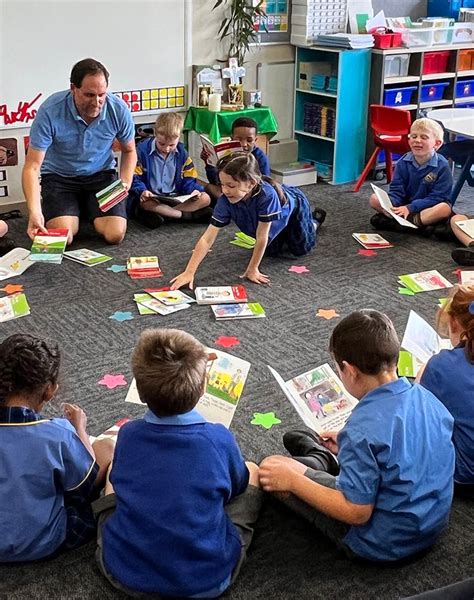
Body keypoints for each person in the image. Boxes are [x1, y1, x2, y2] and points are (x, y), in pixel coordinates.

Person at [259, 310, 455, 563]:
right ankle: (324, 459)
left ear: (349, 371)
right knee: (300, 466)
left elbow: (356, 512)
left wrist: (293, 482)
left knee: (274, 467)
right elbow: (410, 448)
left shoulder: (361, 429)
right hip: (430, 525)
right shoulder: (426, 397)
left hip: (380, 543)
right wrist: (350, 446)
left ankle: (319, 460)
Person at [92, 328, 263, 598]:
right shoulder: (218, 438)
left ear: (140, 390)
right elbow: (236, 486)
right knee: (251, 470)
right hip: (206, 581)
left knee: (115, 470)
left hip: (124, 573)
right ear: (204, 386)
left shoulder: (129, 434)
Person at [0, 333, 114, 562]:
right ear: (50, 389)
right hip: (43, 541)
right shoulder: (58, 433)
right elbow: (86, 480)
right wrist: (80, 428)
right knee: (107, 448)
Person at [22, 58, 137, 245]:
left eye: (102, 94)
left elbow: (130, 151)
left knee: (114, 235)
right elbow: (32, 168)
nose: (97, 102)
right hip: (60, 178)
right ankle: (79, 210)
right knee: (62, 239)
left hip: (101, 176)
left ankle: (83, 209)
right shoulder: (50, 110)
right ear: (73, 88)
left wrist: (124, 184)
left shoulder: (118, 109)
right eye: (89, 95)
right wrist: (34, 211)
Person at [170, 152, 318, 289]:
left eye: (231, 185)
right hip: (262, 219)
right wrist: (189, 272)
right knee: (273, 251)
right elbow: (207, 238)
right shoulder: (226, 199)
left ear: (251, 183)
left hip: (294, 208)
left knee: (300, 249)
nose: (225, 190)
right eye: (222, 184)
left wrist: (253, 269)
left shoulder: (267, 196)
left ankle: (313, 222)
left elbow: (262, 237)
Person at [417, 285, 474, 498]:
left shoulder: (442, 365)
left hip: (465, 477)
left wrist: (426, 370)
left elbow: (416, 416)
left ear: (453, 322)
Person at [369, 117, 453, 235]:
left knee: (444, 209)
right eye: (413, 136)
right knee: (374, 199)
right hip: (404, 206)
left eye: (424, 137)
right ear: (409, 140)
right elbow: (397, 190)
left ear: (437, 143)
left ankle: (404, 223)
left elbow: (438, 197)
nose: (417, 140)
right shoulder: (403, 162)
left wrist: (410, 208)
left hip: (427, 208)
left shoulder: (442, 165)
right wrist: (392, 204)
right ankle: (414, 224)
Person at [128, 112, 212, 228]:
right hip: (152, 197)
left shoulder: (182, 153)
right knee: (146, 204)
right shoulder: (142, 151)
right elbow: (134, 178)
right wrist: (143, 191)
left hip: (175, 196)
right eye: (161, 144)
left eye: (171, 145)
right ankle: (185, 216)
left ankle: (166, 214)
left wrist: (194, 191)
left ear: (179, 137)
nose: (166, 149)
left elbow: (189, 178)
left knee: (205, 198)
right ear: (155, 134)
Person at [202, 116, 271, 203]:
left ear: (255, 140)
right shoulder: (228, 154)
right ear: (231, 139)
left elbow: (265, 184)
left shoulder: (260, 157)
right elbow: (216, 181)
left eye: (249, 140)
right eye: (238, 139)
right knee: (209, 187)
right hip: (229, 190)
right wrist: (209, 163)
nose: (244, 144)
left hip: (250, 195)